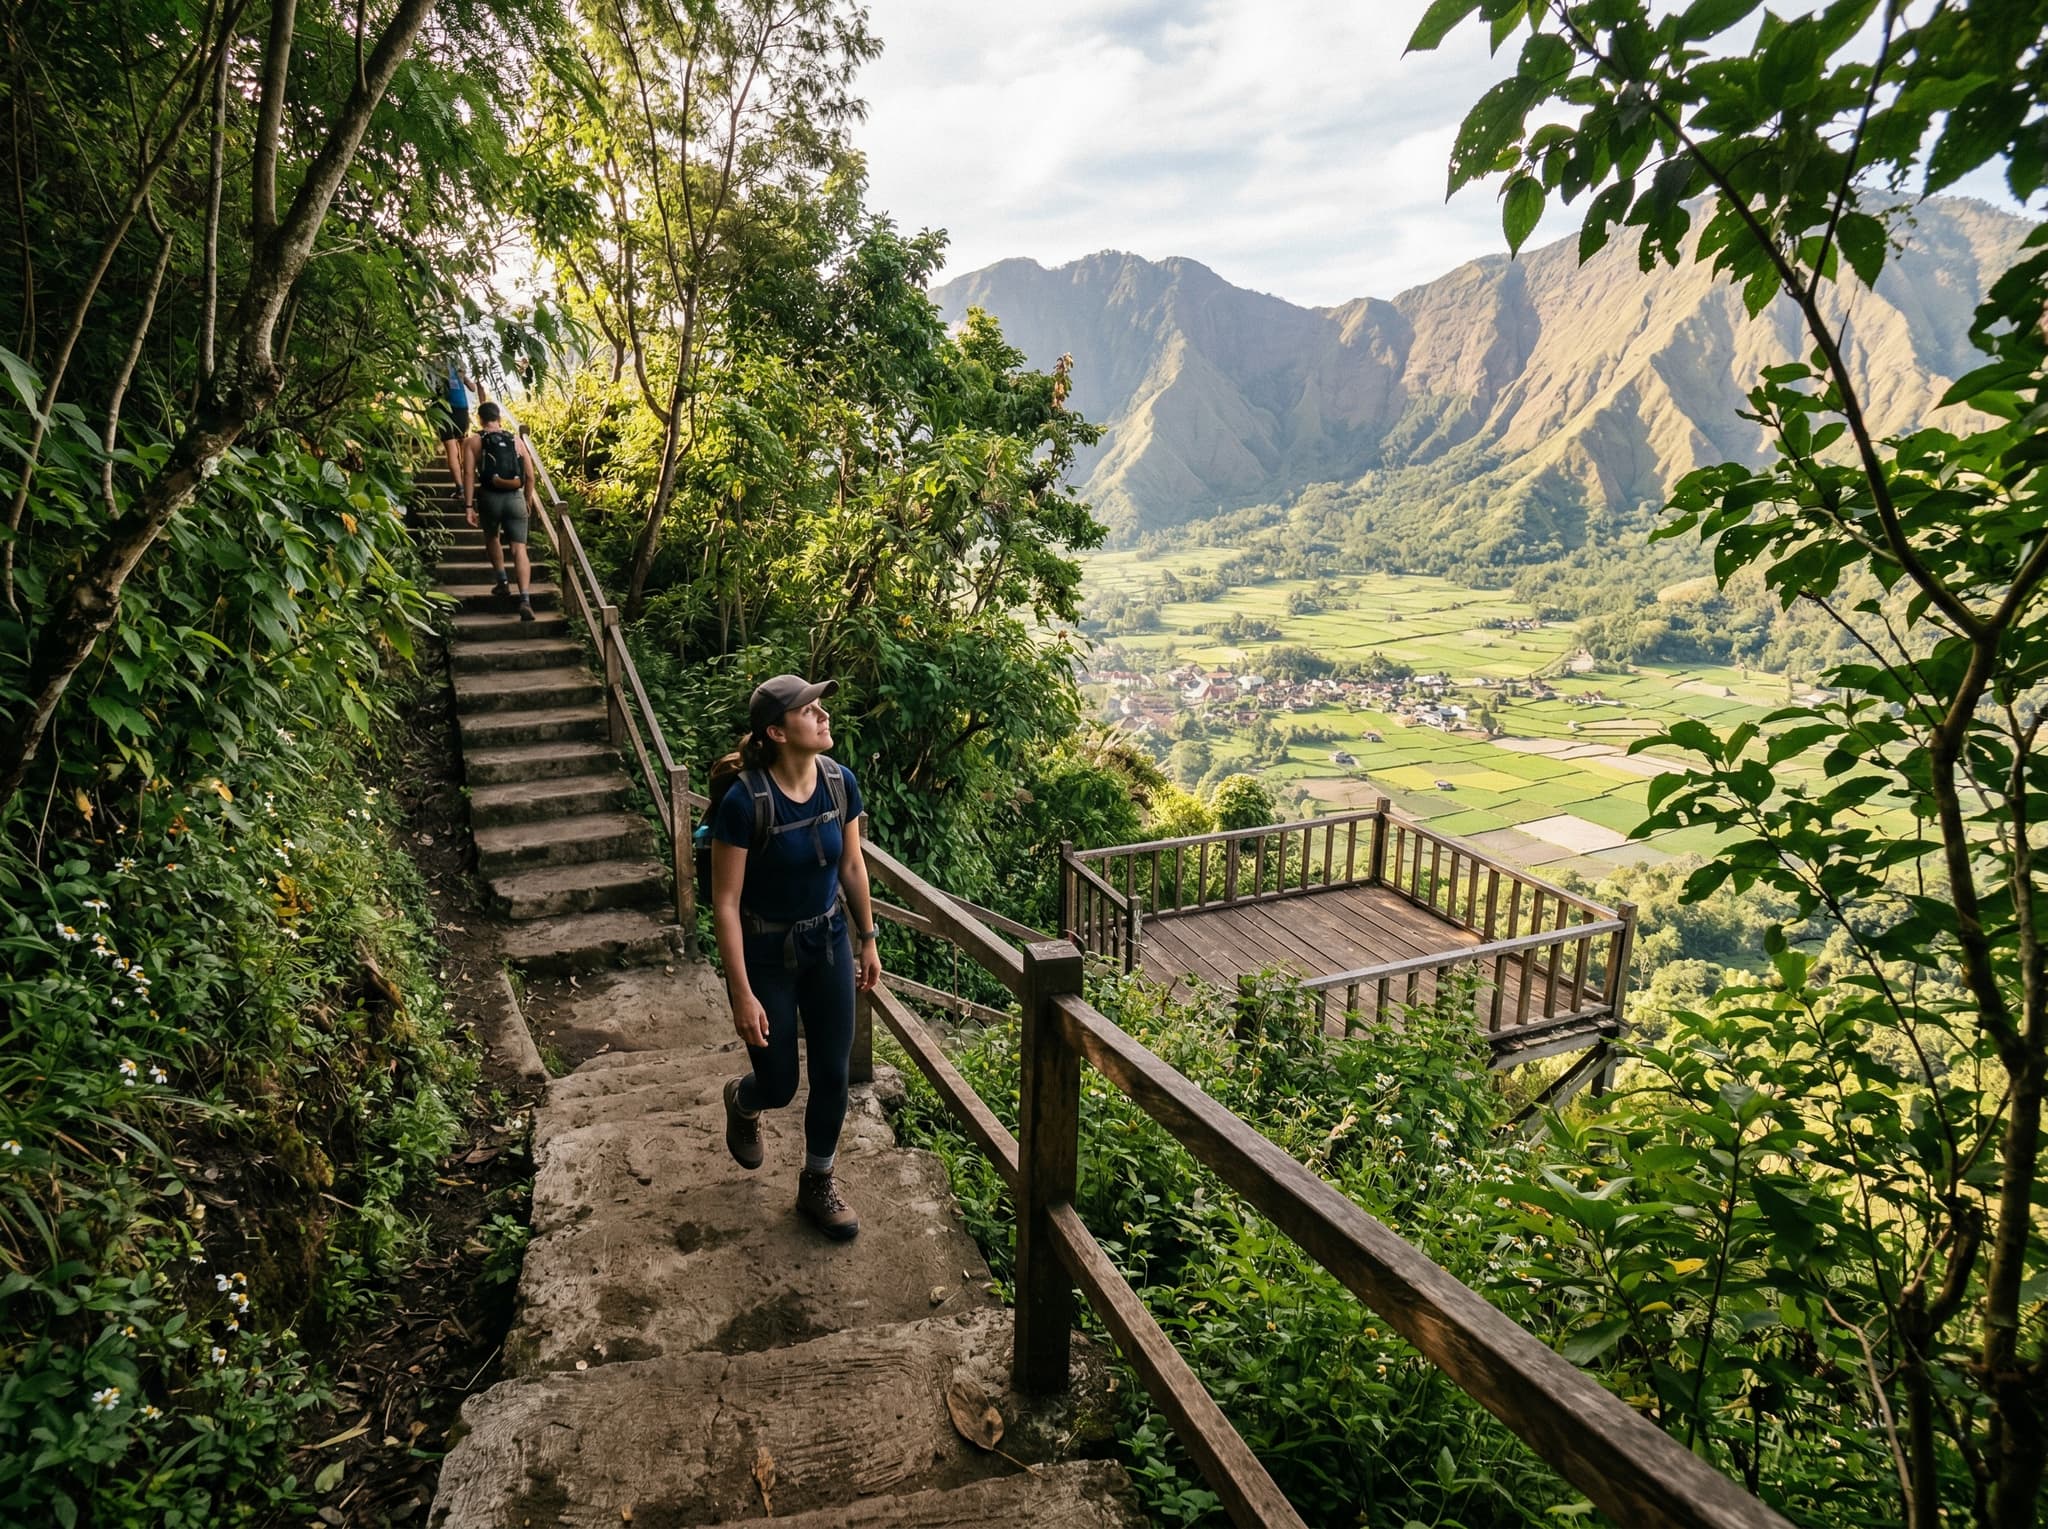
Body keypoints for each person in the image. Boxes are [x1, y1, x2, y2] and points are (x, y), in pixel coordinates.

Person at [711, 675, 882, 1241]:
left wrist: (867, 937)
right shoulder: (745, 803)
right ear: (778, 732)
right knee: (780, 1083)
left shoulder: (840, 783)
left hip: (828, 941)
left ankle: (817, 1181)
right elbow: (727, 903)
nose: (822, 716)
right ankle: (746, 1099)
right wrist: (741, 992)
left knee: (833, 1073)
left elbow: (852, 867)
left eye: (820, 706)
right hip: (765, 954)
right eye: (809, 711)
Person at [463, 401, 543, 622]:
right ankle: (525, 599)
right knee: (520, 549)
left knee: (492, 537)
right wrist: (526, 500)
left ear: (479, 419)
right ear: (499, 418)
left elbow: (468, 474)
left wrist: (469, 506)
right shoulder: (515, 440)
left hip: (489, 498)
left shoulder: (473, 442)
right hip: (515, 499)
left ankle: (502, 582)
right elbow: (530, 475)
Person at [438, 360, 473, 482]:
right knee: (462, 444)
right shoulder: (459, 372)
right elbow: (473, 388)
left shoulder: (435, 369)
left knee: (451, 449)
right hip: (461, 410)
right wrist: (463, 378)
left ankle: (460, 488)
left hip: (444, 410)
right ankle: (468, 481)